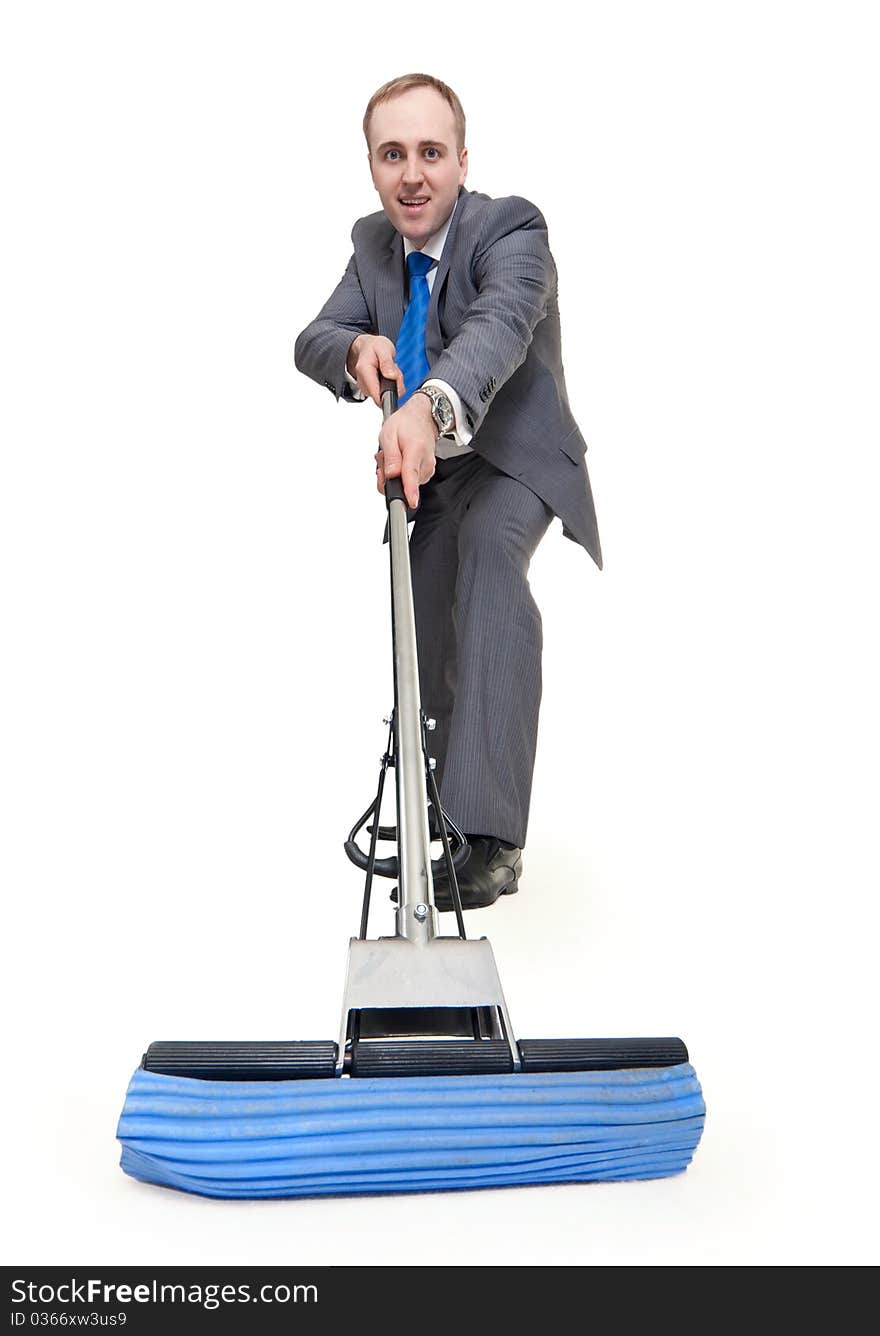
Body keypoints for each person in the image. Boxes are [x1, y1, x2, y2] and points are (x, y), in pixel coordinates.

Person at [294, 73, 602, 910]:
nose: (413, 175)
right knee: (420, 614)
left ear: (462, 160)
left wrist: (428, 408)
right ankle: (445, 816)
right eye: (393, 155)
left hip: (514, 459)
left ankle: (491, 841)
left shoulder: (512, 230)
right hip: (433, 477)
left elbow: (497, 332)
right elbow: (312, 336)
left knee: (489, 563)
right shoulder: (372, 245)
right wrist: (356, 348)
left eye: (431, 153)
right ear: (372, 167)